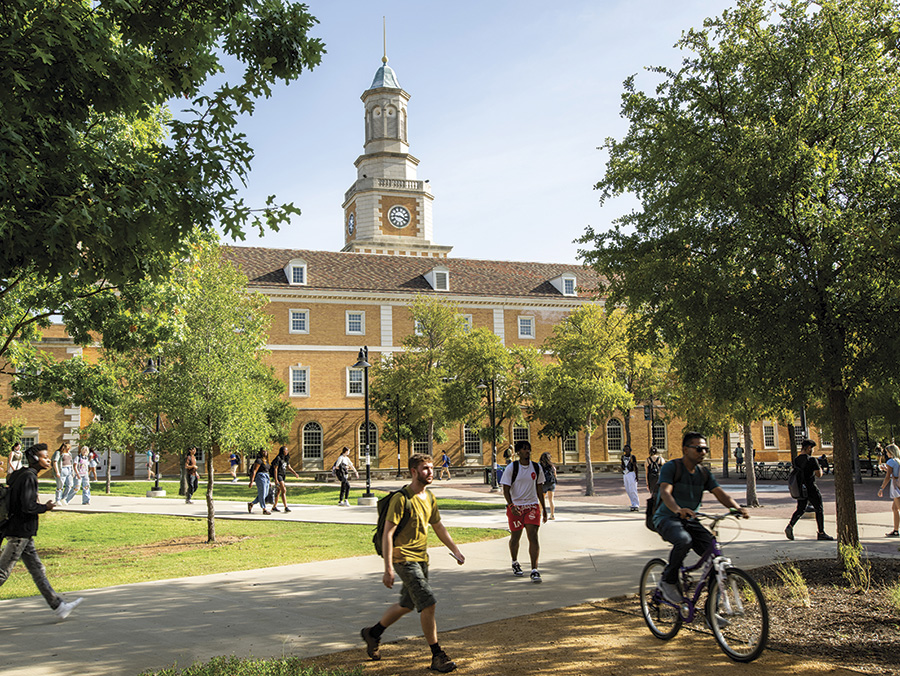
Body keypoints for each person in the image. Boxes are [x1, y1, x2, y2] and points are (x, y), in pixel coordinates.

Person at [360, 453, 464, 673]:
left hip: (421, 559)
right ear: (413, 472)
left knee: (408, 604)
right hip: (403, 559)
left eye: (431, 468)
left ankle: (373, 633)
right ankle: (437, 655)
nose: (430, 472)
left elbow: (438, 526)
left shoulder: (429, 497)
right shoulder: (401, 499)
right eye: (425, 468)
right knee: (428, 602)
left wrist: (455, 550)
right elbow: (388, 534)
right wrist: (388, 568)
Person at [652, 432, 748, 605]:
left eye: (705, 448)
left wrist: (736, 508)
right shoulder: (672, 467)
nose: (703, 452)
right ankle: (668, 580)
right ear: (685, 449)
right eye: (698, 448)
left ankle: (712, 612)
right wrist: (678, 509)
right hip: (667, 518)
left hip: (690, 519)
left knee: (715, 559)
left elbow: (720, 494)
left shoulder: (703, 473)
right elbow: (665, 492)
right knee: (684, 540)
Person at [0, 443, 84, 620]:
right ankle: (59, 606)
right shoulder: (29, 478)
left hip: (24, 532)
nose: (48, 460)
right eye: (45, 457)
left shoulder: (21, 474)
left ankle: (59, 606)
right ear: (37, 460)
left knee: (38, 569)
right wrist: (44, 507)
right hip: (20, 532)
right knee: (2, 572)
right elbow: (27, 506)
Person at [500, 439, 547, 583]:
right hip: (516, 507)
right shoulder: (512, 468)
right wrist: (511, 505)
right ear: (518, 452)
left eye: (529, 449)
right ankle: (514, 562)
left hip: (532, 506)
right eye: (524, 449)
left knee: (533, 536)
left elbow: (539, 489)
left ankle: (534, 569)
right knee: (516, 537)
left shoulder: (536, 467)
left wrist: (544, 508)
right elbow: (506, 489)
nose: (527, 451)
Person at [785, 439, 834, 542]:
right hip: (811, 488)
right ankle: (821, 532)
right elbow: (819, 474)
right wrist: (819, 467)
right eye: (812, 449)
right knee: (819, 509)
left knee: (800, 509)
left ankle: (790, 526)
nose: (812, 451)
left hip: (801, 488)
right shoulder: (812, 460)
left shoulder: (796, 460)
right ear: (808, 448)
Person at [877, 443, 900, 537]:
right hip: (898, 484)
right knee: (894, 508)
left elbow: (887, 477)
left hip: (895, 487)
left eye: (887, 452)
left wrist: (881, 488)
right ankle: (895, 530)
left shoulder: (891, 461)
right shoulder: (898, 460)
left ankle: (896, 530)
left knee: (898, 507)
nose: (886, 454)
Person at [270, 446, 300, 513]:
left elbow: (289, 467)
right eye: (285, 450)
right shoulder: (278, 458)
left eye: (287, 450)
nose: (286, 451)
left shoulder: (285, 459)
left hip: (283, 476)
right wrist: (275, 479)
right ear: (282, 451)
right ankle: (286, 507)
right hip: (278, 476)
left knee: (278, 492)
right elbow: (275, 469)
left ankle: (274, 507)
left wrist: (295, 473)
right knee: (284, 490)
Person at [247, 450, 271, 514]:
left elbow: (267, 471)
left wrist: (270, 481)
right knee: (262, 494)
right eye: (263, 451)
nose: (265, 452)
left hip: (267, 477)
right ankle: (264, 509)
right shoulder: (259, 460)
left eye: (266, 451)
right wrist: (251, 481)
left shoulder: (266, 461)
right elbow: (254, 471)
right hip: (260, 477)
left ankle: (251, 504)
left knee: (265, 494)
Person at [539, 452, 557, 520]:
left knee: (541, 500)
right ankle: (552, 515)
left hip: (544, 483)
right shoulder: (552, 466)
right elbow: (555, 475)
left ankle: (540, 514)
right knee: (551, 500)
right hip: (551, 483)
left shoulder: (540, 466)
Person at [621, 445, 640, 512]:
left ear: (630, 450)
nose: (626, 451)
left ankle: (636, 504)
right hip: (625, 474)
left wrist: (637, 476)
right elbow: (622, 464)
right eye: (625, 449)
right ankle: (632, 503)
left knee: (633, 489)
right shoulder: (623, 457)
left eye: (628, 449)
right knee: (628, 489)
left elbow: (635, 466)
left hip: (631, 473)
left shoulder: (632, 457)